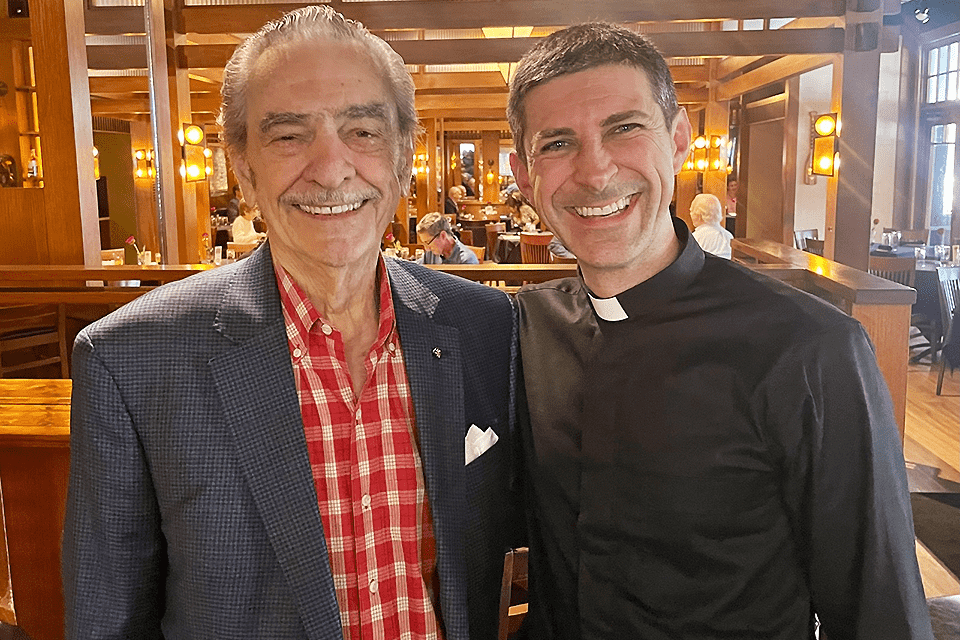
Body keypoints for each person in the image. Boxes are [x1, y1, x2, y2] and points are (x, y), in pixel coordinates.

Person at [63, 7, 519, 640]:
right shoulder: (131, 359)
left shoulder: (486, 326)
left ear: (404, 154)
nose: (331, 169)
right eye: (287, 136)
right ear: (243, 165)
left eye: (362, 130)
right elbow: (106, 621)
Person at [507, 22, 933, 639]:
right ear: (525, 175)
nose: (595, 172)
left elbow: (879, 612)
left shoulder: (811, 348)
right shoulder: (521, 329)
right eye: (557, 143)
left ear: (678, 140)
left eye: (625, 128)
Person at [689, 193, 733, 259]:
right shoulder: (729, 236)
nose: (690, 214)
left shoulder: (695, 239)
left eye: (691, 211)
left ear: (699, 214)